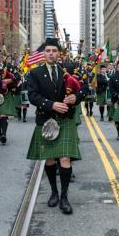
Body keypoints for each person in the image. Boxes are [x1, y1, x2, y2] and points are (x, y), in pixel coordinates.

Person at [26, 38, 85, 214]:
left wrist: (76, 98)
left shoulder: (69, 70)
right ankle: (54, 192)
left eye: (54, 51)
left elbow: (83, 88)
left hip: (65, 119)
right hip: (45, 120)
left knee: (64, 158)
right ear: (44, 53)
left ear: (59, 53)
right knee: (50, 158)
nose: (51, 53)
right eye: (48, 51)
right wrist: (51, 104)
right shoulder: (34, 73)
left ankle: (64, 197)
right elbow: (32, 96)